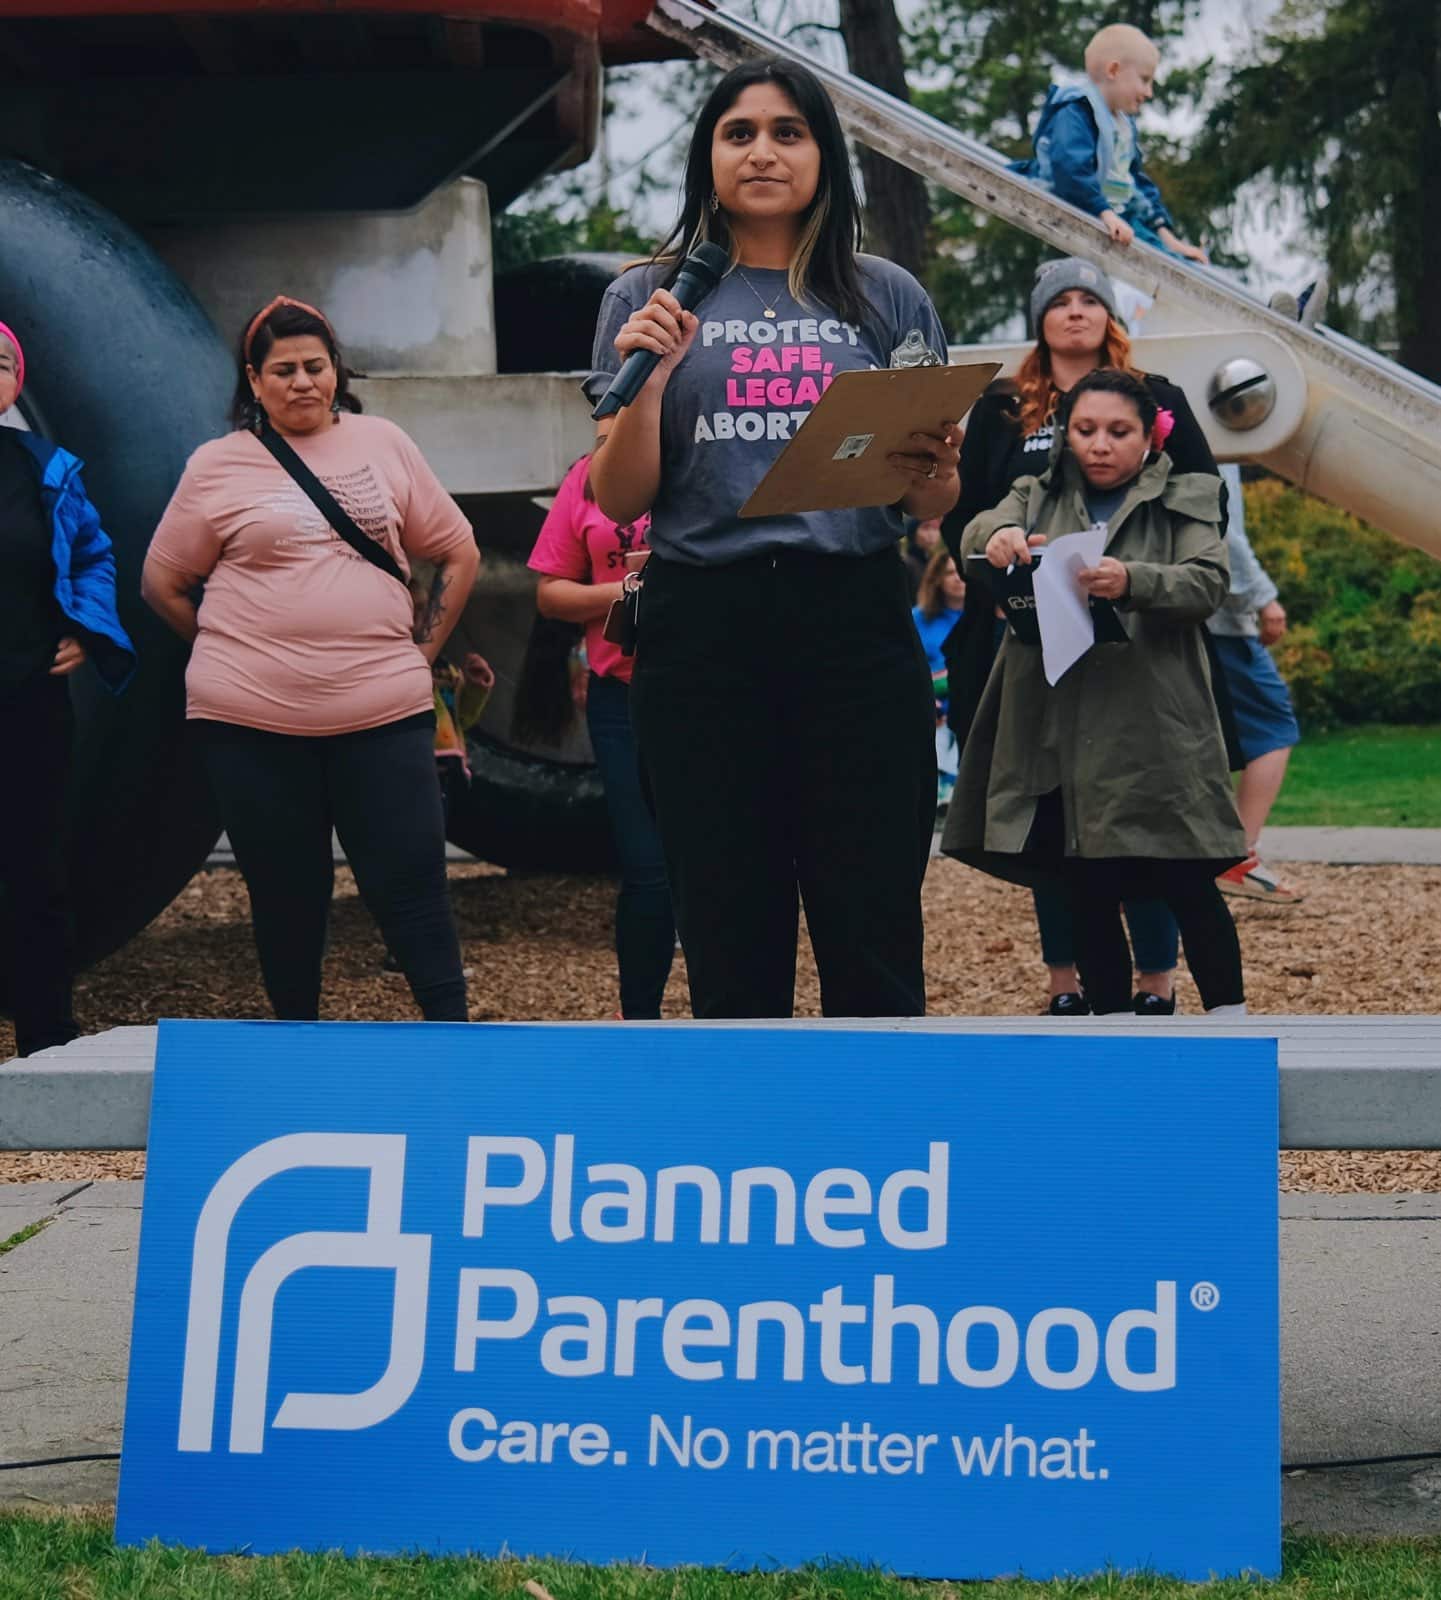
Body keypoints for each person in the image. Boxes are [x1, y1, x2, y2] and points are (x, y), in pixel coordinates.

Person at [586, 57, 959, 1020]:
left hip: (852, 617)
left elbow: (927, 504)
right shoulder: (645, 296)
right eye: (738, 132)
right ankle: (748, 1151)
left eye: (788, 132)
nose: (762, 151)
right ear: (706, 156)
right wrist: (656, 379)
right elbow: (619, 491)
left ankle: (878, 1148)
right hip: (705, 624)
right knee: (725, 909)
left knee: (869, 903)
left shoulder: (885, 295)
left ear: (824, 158)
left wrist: (940, 464)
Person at [141, 296, 479, 1023]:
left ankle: (456, 1044)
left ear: (336, 372)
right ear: (254, 380)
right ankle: (296, 1047)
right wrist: (229, 648)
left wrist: (422, 653)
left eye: (315, 367)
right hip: (248, 720)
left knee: (411, 881)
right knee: (286, 889)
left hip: (382, 708)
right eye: (283, 369)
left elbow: (455, 548)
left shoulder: (383, 443)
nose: (302, 382)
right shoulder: (216, 465)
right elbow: (163, 583)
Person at [942, 257, 1223, 1015]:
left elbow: (1199, 501)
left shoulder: (1158, 397)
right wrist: (995, 562)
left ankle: (1156, 983)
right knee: (1049, 816)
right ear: (1036, 318)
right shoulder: (1004, 410)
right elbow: (969, 510)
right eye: (1057, 301)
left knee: (1151, 819)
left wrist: (1138, 577)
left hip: (1137, 641)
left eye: (1087, 300)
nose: (1073, 313)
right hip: (1029, 642)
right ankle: (1067, 981)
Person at [0, 319, 135, 1056]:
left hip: (28, 704)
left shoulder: (47, 468)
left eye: (0, 362)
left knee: (35, 869)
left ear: (17, 384)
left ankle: (46, 1041)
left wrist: (87, 628)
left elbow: (94, 555)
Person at [528, 455, 677, 1019]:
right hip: (620, 695)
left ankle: (734, 1019)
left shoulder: (709, 451)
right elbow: (551, 592)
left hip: (712, 689)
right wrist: (629, 589)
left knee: (719, 861)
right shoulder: (587, 475)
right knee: (647, 870)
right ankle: (639, 1021)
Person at [1014, 24, 1207, 263]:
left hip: (1117, 214)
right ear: (1114, 70)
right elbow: (1069, 166)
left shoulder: (1122, 125)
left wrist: (1168, 239)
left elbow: (1133, 182)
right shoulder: (1077, 110)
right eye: (1145, 80)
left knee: (1177, 263)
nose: (1149, 92)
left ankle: (1175, 253)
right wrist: (1103, 212)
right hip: (1082, 208)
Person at [1209, 464, 1304, 903]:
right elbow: (1222, 528)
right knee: (1272, 725)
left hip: (1188, 611)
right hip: (1220, 619)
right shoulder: (1211, 437)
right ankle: (1237, 855)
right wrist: (1263, 598)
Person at [911, 547, 965, 810]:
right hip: (932, 702)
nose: (957, 578)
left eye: (960, 572)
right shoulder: (918, 618)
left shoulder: (980, 618)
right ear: (937, 579)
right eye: (949, 573)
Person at [902, 514, 943, 600]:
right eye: (925, 528)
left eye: (935, 528)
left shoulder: (938, 562)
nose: (931, 534)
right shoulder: (905, 564)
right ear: (913, 533)